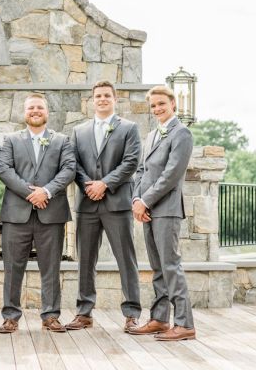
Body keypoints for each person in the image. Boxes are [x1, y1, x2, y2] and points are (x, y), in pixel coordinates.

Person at [66, 80, 142, 333]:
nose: (102, 99)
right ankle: (84, 312)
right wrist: (89, 184)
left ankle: (131, 312)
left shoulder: (129, 128)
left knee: (126, 259)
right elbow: (72, 163)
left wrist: (105, 184)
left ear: (115, 99)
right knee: (85, 260)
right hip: (87, 203)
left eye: (107, 95)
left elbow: (131, 162)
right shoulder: (79, 131)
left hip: (117, 203)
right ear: (92, 99)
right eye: (98, 96)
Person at [0, 94, 75, 333]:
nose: (35, 111)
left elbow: (69, 169)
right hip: (16, 214)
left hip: (51, 213)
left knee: (50, 266)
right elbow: (5, 169)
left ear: (47, 112)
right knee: (12, 267)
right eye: (31, 107)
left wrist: (47, 191)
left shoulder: (62, 141)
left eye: (39, 107)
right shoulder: (10, 140)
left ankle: (50, 315)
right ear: (25, 112)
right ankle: (11, 316)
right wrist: (30, 193)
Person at [130, 85, 196, 341]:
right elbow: (141, 172)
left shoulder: (182, 133)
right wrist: (136, 199)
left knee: (171, 266)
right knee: (157, 268)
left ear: (173, 105)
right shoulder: (151, 136)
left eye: (161, 104)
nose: (157, 109)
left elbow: (171, 175)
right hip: (147, 209)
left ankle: (184, 324)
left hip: (166, 209)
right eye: (153, 105)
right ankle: (159, 319)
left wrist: (145, 201)